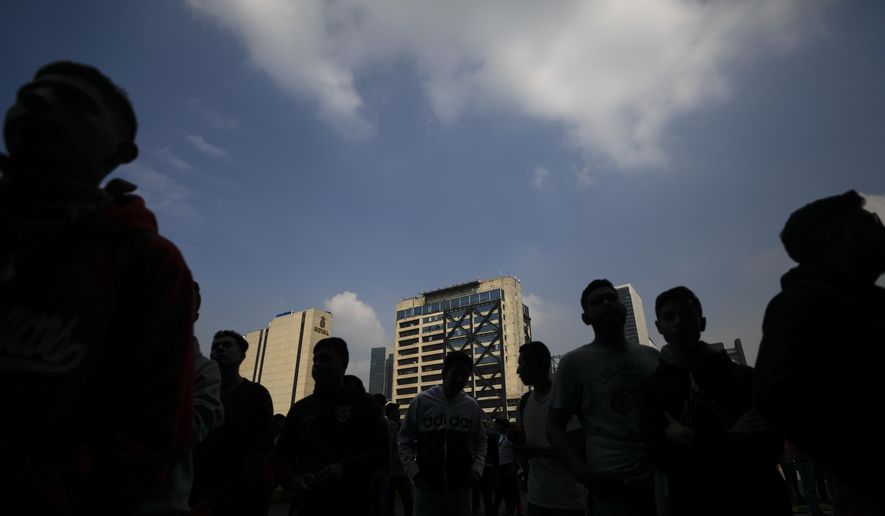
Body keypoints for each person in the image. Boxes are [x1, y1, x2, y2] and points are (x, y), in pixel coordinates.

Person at [0, 61, 195, 514]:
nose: (39, 103)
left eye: (75, 102)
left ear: (122, 151)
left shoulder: (148, 263)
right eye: (28, 95)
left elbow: (150, 436)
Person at [754, 191, 885, 515]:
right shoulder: (805, 303)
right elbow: (777, 395)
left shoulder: (867, 300)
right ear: (841, 237)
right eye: (870, 221)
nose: (880, 228)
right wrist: (867, 466)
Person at [641, 286, 789, 516]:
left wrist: (691, 438)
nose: (678, 323)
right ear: (659, 327)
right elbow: (661, 456)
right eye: (670, 317)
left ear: (702, 322)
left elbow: (768, 446)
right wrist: (733, 436)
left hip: (756, 500)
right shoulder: (652, 389)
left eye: (687, 315)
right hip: (696, 503)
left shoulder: (744, 378)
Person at [547, 279, 659, 516]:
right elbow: (554, 427)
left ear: (624, 307)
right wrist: (585, 474)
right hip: (610, 486)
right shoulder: (574, 363)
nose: (607, 303)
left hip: (660, 481)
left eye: (611, 298)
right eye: (597, 302)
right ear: (586, 318)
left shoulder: (652, 358)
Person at [273, 337, 389, 516]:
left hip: (356, 504)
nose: (318, 364)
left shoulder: (366, 404)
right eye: (315, 360)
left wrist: (345, 468)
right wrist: (292, 479)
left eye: (326, 359)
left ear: (344, 363)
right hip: (308, 505)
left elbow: (381, 452)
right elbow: (281, 457)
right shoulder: (300, 409)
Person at [138, 282, 225, 516]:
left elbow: (191, 427)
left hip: (162, 501)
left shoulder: (204, 369)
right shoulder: (123, 346)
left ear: (195, 315)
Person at [191, 330, 274, 516]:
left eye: (227, 345)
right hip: (196, 495)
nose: (219, 349)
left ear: (242, 356)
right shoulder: (198, 395)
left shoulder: (257, 395)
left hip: (241, 498)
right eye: (215, 346)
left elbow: (262, 447)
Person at [398, 351, 487, 516]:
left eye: (465, 376)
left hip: (459, 490)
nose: (460, 379)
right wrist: (414, 473)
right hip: (427, 488)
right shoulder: (422, 401)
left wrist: (476, 470)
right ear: (444, 373)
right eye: (456, 373)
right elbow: (404, 439)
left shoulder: (471, 406)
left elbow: (481, 441)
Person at [515, 341, 585, 516]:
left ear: (532, 364)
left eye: (520, 364)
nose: (518, 371)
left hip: (568, 501)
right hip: (535, 497)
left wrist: (535, 451)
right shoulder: (524, 402)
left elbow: (577, 448)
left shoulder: (565, 398)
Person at [385, 401, 414, 516]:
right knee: (390, 505)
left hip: (402, 472)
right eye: (395, 413)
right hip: (392, 472)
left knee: (409, 504)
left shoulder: (402, 426)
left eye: (398, 412)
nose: (398, 415)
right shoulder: (389, 427)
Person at [494, 417, 521, 516]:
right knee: (504, 489)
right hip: (502, 465)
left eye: (497, 425)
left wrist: (514, 467)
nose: (496, 427)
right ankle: (509, 508)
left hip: (509, 465)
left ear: (502, 425)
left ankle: (514, 509)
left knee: (511, 489)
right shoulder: (501, 436)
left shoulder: (510, 436)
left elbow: (515, 452)